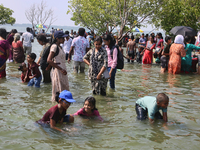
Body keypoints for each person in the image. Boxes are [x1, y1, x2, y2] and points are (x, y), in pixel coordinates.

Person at [47, 31, 69, 102]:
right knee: (58, 90)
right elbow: (49, 60)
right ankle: (57, 105)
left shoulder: (60, 47)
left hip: (62, 70)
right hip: (58, 71)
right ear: (57, 38)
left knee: (63, 88)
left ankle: (63, 105)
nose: (64, 39)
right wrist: (60, 69)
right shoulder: (54, 46)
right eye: (62, 38)